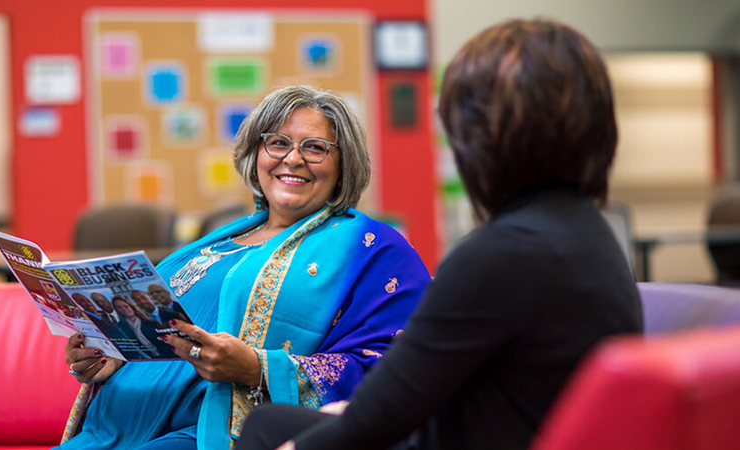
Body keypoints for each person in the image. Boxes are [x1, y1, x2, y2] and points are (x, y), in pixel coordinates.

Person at [236, 18, 644, 450]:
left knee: (270, 433)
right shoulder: (588, 233)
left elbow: (384, 415)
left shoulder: (501, 256)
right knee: (272, 423)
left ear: (482, 141)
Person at [58, 85, 431, 450]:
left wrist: (258, 369)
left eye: (315, 148)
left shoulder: (370, 247)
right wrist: (110, 357)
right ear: (257, 154)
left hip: (201, 431)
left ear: (343, 163)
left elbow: (393, 371)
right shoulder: (215, 240)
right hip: (109, 428)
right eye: (278, 142)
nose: (293, 159)